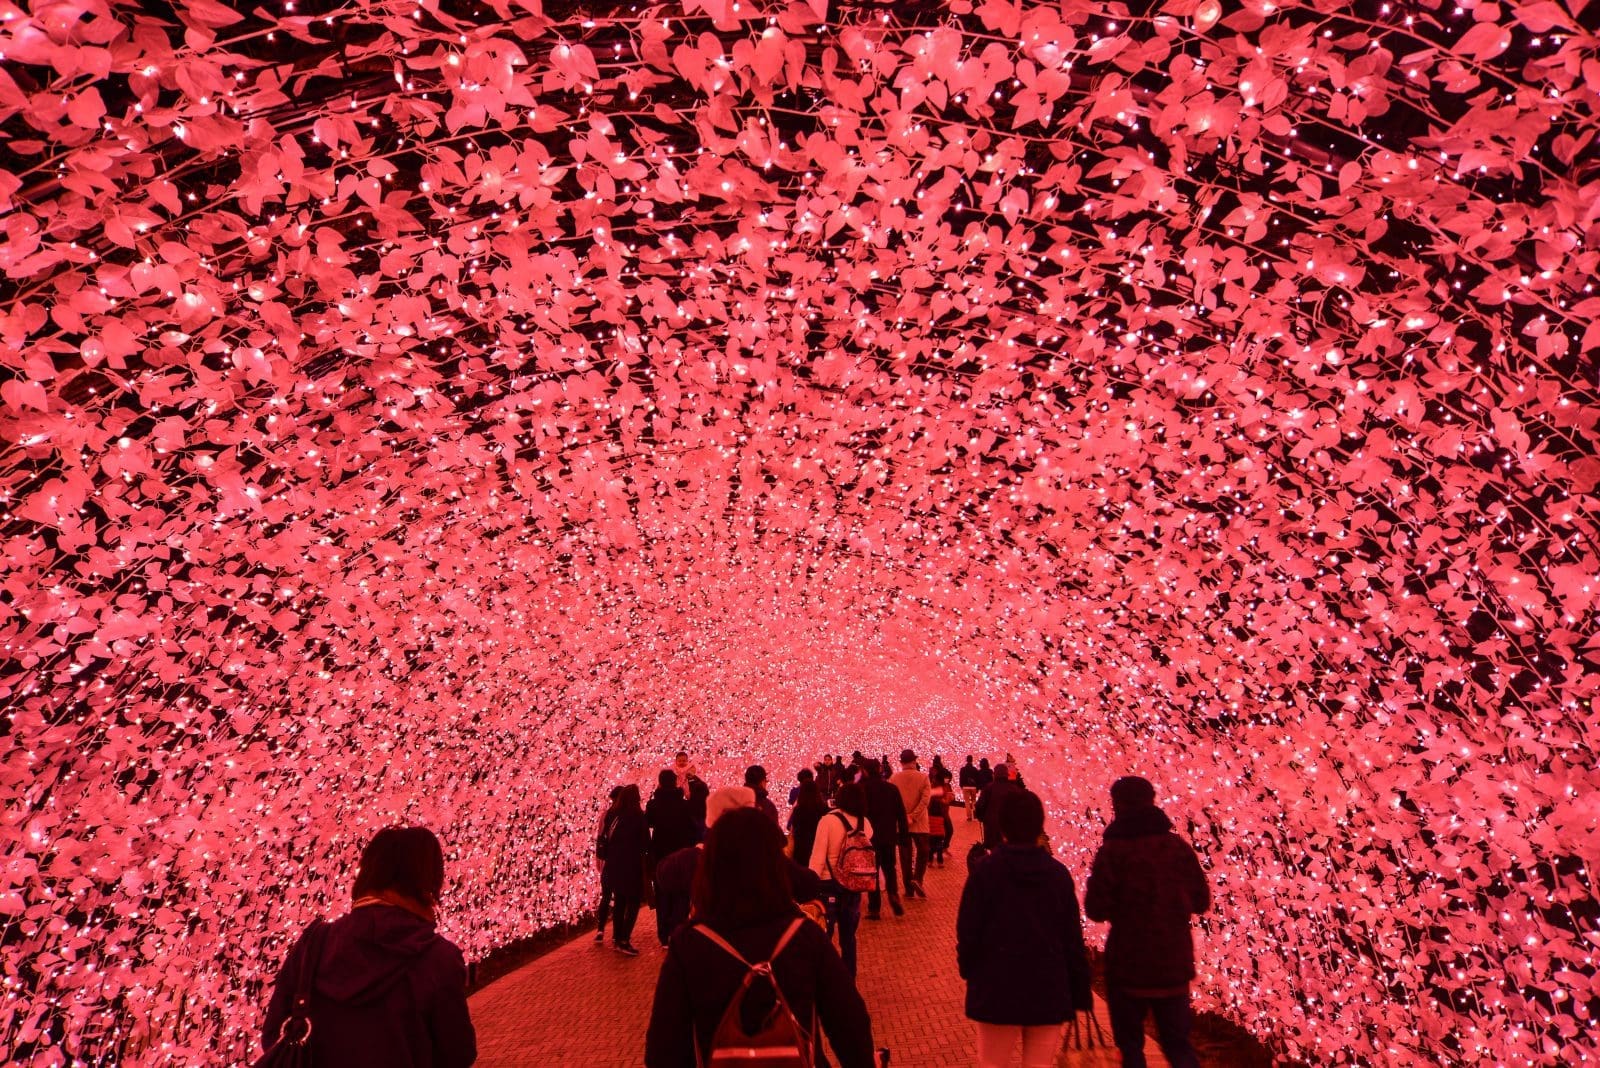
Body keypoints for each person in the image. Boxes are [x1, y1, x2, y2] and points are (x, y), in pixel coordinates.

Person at [645, 808, 876, 1068]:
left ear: (712, 865)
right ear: (775, 864)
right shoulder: (803, 936)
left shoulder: (689, 944)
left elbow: (663, 1049)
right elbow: (850, 1023)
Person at [261, 826, 476, 1067]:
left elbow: (273, 1034)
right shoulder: (438, 958)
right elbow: (458, 1053)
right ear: (428, 881)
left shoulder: (314, 944)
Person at [957, 791, 1091, 1068]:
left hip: (996, 984)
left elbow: (968, 929)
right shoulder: (1057, 874)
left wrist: (969, 969)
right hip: (1047, 986)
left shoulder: (986, 871)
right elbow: (1071, 938)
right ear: (1039, 825)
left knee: (993, 1063)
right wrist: (1079, 989)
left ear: (1003, 826)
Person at [1084, 776, 1211, 1068]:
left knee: (1130, 1048)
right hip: (1173, 964)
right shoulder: (1177, 848)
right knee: (1178, 1046)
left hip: (1128, 966)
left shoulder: (1112, 852)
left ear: (1117, 805)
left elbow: (1095, 909)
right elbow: (1201, 901)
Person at [656, 788, 824, 946]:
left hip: (713, 943)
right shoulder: (767, 858)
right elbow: (809, 885)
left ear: (712, 822)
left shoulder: (699, 858)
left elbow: (664, 875)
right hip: (769, 942)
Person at [808, 782, 873, 977]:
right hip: (853, 886)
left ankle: (825, 984)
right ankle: (848, 982)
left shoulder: (827, 821)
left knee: (823, 939)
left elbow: (818, 857)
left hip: (828, 884)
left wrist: (810, 886)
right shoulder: (865, 823)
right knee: (849, 939)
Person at [598, 784, 648, 956]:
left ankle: (617, 937)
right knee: (633, 903)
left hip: (614, 864)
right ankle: (624, 939)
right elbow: (645, 842)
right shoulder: (637, 815)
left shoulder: (612, 814)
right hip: (631, 865)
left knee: (619, 901)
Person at [862, 761, 907, 918]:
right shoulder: (892, 789)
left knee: (872, 871)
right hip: (889, 836)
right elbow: (901, 814)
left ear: (865, 771)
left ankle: (874, 908)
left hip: (870, 838)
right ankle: (893, 894)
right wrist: (903, 836)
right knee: (890, 868)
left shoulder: (863, 790)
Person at [890, 749, 932, 898]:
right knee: (923, 851)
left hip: (902, 824)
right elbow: (925, 800)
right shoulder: (923, 777)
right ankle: (918, 879)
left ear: (901, 763)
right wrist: (914, 816)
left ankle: (908, 889)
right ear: (914, 761)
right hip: (920, 822)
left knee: (905, 856)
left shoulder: (894, 778)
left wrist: (903, 816)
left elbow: (891, 801)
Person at [594, 785, 625, 941]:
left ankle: (600, 930)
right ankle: (616, 934)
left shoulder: (605, 815)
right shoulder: (622, 816)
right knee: (618, 897)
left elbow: (600, 839)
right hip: (618, 862)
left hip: (606, 862)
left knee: (606, 896)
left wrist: (599, 860)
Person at [974, 762, 1022, 851]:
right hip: (1009, 828)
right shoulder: (1014, 789)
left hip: (991, 827)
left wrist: (981, 817)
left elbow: (980, 805)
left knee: (994, 851)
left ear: (995, 774)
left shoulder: (988, 788)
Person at [789, 769, 828, 870]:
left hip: (801, 849)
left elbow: (793, 830)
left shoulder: (798, 810)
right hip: (819, 848)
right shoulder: (823, 809)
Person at [927, 775, 952, 865]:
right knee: (948, 831)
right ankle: (939, 860)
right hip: (940, 817)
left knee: (931, 843)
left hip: (934, 818)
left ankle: (930, 859)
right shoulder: (937, 788)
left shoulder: (937, 787)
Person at [959, 756, 981, 820]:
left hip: (965, 787)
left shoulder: (963, 769)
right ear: (972, 760)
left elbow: (961, 779)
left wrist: (961, 786)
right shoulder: (975, 769)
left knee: (967, 802)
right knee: (974, 801)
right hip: (973, 787)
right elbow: (977, 779)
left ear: (966, 760)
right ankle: (975, 815)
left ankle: (969, 817)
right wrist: (977, 787)